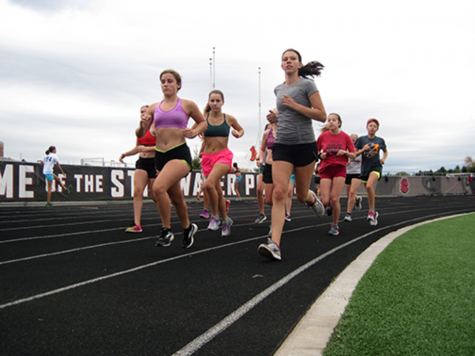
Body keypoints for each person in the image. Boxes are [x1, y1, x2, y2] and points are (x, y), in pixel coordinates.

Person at [258, 48, 326, 261]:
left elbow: (322, 115)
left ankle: (310, 197)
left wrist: (295, 105)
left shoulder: (307, 85)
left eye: (292, 59)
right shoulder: (278, 89)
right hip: (282, 145)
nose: (288, 62)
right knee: (279, 193)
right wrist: (274, 118)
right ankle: (275, 244)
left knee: (299, 194)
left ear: (299, 64)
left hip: (305, 145)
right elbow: (284, 113)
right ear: (281, 65)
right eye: (285, 59)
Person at [141, 69, 207, 248]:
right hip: (160, 156)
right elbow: (142, 132)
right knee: (176, 198)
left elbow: (203, 122)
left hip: (179, 154)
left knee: (158, 188)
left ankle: (166, 230)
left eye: (170, 81)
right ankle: (187, 228)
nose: (165, 84)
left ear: (178, 85)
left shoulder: (187, 104)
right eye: (163, 81)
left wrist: (194, 131)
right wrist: (143, 125)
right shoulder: (154, 107)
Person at [200, 89, 244, 236]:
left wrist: (238, 134)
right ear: (208, 102)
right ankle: (226, 221)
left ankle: (214, 217)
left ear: (223, 102)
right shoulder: (203, 118)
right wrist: (191, 132)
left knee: (208, 185)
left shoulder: (229, 118)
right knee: (217, 192)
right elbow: (193, 131)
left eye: (218, 100)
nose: (215, 103)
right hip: (207, 158)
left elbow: (241, 129)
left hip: (223, 157)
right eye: (212, 100)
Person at [119, 105, 158, 233]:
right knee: (137, 191)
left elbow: (162, 146)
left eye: (146, 112)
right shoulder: (140, 131)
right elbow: (137, 148)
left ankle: (168, 216)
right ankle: (137, 224)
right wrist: (125, 154)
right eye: (141, 112)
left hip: (154, 163)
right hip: (142, 163)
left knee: (155, 196)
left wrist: (147, 149)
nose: (143, 114)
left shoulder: (155, 128)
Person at [317, 113, 356, 235]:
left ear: (339, 123)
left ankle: (335, 225)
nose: (331, 122)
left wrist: (345, 152)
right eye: (329, 120)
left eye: (334, 120)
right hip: (326, 169)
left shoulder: (345, 137)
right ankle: (328, 207)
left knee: (335, 199)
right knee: (325, 201)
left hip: (339, 169)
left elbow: (354, 155)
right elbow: (316, 151)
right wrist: (320, 155)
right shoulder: (323, 137)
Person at [354, 118, 388, 226]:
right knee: (369, 191)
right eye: (370, 126)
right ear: (367, 127)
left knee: (369, 186)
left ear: (377, 129)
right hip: (365, 168)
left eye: (374, 126)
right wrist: (363, 150)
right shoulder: (361, 140)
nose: (372, 127)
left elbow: (385, 151)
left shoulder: (380, 140)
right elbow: (354, 154)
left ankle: (371, 212)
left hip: (376, 167)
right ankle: (373, 212)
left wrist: (383, 159)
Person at [344, 133, 363, 222]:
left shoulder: (360, 150)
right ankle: (357, 199)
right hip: (348, 172)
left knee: (352, 192)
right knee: (349, 195)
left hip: (358, 173)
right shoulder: (346, 150)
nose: (352, 141)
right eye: (351, 140)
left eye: (354, 140)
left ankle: (348, 214)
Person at [254, 123, 270, 224]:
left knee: (273, 195)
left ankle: (278, 217)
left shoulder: (279, 140)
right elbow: (262, 151)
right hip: (265, 167)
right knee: (259, 190)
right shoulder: (262, 142)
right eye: (267, 130)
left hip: (276, 166)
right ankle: (262, 213)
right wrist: (259, 159)